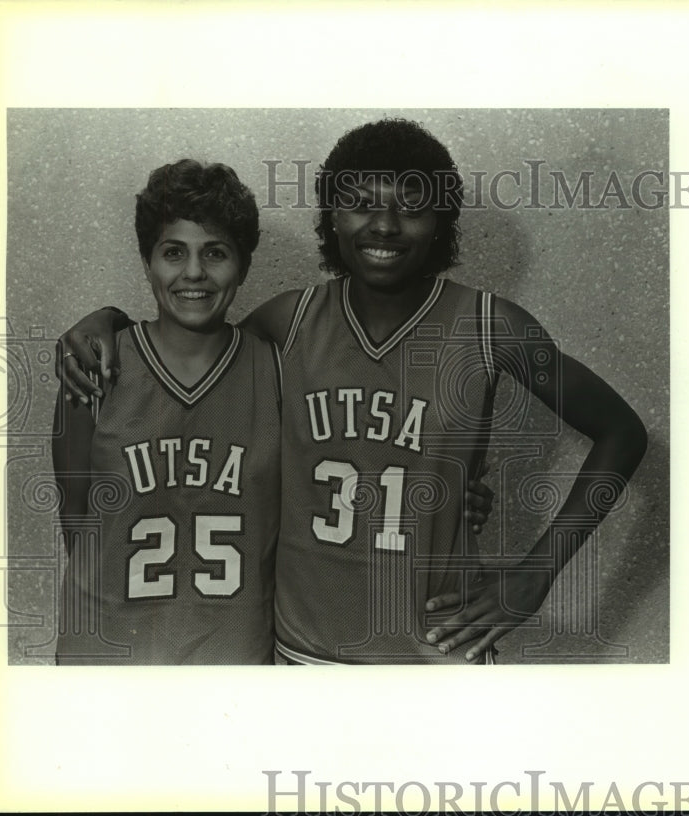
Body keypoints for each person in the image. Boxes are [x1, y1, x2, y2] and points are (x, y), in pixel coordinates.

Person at [59, 119, 648, 664]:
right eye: (360, 204)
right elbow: (189, 345)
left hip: (434, 653)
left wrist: (536, 574)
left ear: (440, 220)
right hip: (300, 653)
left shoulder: (490, 327)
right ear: (331, 217)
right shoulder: (288, 323)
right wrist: (105, 320)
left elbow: (622, 432)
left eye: (411, 208)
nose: (384, 225)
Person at [53, 159, 281, 664]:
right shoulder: (94, 366)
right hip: (108, 653)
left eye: (215, 253)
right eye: (173, 252)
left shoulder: (276, 371)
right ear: (147, 261)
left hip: (232, 656)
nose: (194, 272)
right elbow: (76, 516)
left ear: (243, 264)